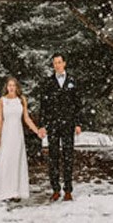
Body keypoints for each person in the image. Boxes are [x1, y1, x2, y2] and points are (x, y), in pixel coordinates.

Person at [37, 53, 82, 202]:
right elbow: (43, 106)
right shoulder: (47, 83)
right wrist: (42, 125)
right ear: (53, 65)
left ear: (64, 63)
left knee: (68, 157)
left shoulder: (72, 81)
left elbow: (78, 104)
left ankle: (68, 190)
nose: (57, 65)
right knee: (53, 157)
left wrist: (78, 123)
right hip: (53, 125)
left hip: (68, 125)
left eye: (59, 62)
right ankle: (55, 189)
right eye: (54, 63)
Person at [0, 76, 41, 201]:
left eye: (13, 85)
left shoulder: (22, 99)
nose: (11, 87)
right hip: (7, 134)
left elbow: (27, 118)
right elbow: (0, 120)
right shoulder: (2, 100)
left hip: (18, 135)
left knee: (16, 161)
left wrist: (37, 131)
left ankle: (16, 191)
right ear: (6, 87)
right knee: (6, 161)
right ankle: (5, 191)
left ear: (17, 87)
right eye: (9, 85)